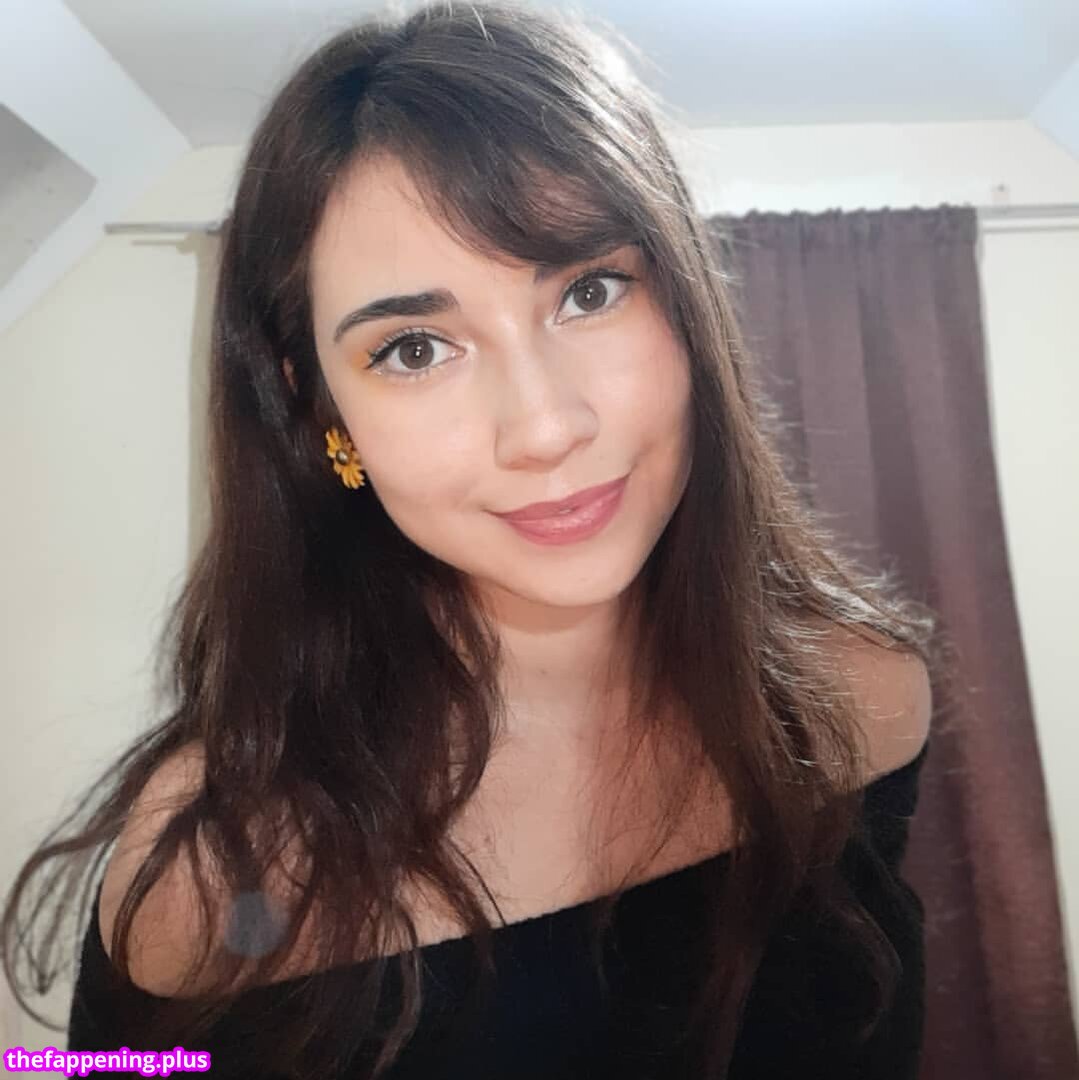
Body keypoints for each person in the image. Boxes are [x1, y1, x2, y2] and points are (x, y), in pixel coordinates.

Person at [2, 2, 944, 1077]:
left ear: (688, 308)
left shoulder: (862, 695)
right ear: (322, 416)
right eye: (414, 349)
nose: (543, 427)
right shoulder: (216, 866)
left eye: (590, 291)